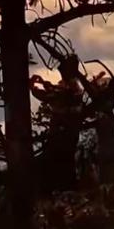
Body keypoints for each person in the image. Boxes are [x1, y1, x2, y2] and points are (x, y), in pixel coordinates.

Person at [32, 55, 85, 193]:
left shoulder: (71, 87)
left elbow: (53, 95)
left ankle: (64, 191)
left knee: (60, 162)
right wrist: (43, 83)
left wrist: (33, 88)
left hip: (63, 132)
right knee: (65, 162)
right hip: (67, 131)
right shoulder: (73, 86)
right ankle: (67, 189)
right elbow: (55, 91)